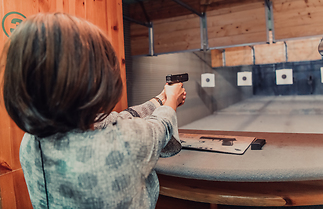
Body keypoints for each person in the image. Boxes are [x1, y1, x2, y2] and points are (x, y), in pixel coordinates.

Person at [1, 12, 186, 208]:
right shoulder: (123, 143)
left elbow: (114, 120)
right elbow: (160, 127)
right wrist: (171, 101)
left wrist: (159, 100)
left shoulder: (30, 141)